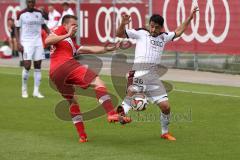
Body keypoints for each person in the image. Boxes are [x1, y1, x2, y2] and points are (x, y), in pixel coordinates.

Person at [116, 7, 199, 141]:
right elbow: (119, 34)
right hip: (139, 72)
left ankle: (164, 132)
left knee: (166, 107)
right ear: (149, 25)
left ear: (161, 28)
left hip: (153, 77)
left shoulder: (164, 37)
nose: (153, 29)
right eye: (152, 26)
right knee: (132, 93)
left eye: (157, 27)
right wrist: (123, 23)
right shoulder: (141, 33)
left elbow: (178, 32)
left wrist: (189, 18)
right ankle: (120, 115)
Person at [45, 15, 131, 143]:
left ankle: (82, 136)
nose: (76, 28)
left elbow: (90, 49)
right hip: (66, 65)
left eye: (77, 25)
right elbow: (47, 41)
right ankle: (111, 113)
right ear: (65, 24)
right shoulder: (60, 30)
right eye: (74, 25)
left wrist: (111, 48)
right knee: (98, 82)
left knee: (73, 101)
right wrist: (67, 34)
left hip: (55, 74)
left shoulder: (71, 44)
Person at [15, 0, 50, 98]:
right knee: (27, 65)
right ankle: (24, 90)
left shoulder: (39, 13)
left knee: (38, 66)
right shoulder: (21, 14)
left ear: (35, 3)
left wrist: (50, 34)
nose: (31, 4)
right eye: (29, 2)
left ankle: (36, 91)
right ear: (26, 3)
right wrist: (18, 42)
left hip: (38, 42)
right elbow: (17, 28)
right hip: (26, 43)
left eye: (32, 2)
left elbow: (44, 25)